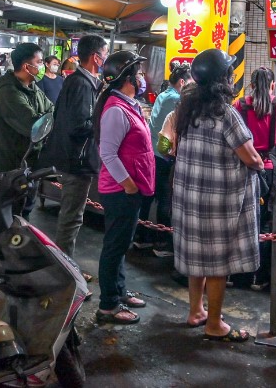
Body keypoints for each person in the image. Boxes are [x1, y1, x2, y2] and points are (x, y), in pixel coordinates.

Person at [172, 49, 263, 340]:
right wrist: (259, 163)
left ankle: (195, 310)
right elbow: (250, 158)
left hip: (189, 196)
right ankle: (213, 323)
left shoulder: (187, 110)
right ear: (224, 79)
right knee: (217, 265)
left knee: (196, 257)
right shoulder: (226, 114)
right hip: (217, 202)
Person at [93, 50, 154, 326]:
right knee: (114, 246)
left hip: (130, 189)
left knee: (121, 244)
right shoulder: (116, 110)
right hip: (121, 191)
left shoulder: (127, 104)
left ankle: (118, 292)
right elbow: (108, 154)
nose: (143, 77)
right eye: (139, 73)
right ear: (128, 77)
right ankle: (108, 306)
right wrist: (128, 185)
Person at [39, 34, 107, 260]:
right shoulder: (81, 84)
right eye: (105, 54)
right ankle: (64, 267)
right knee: (72, 216)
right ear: (96, 58)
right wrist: (105, 120)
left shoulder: (78, 81)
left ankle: (63, 263)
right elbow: (79, 125)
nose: (106, 59)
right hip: (76, 160)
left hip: (71, 157)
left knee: (71, 214)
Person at [233, 66, 276, 289]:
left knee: (243, 220)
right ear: (271, 84)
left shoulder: (240, 105)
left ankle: (241, 277)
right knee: (268, 222)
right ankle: (265, 277)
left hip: (244, 167)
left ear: (251, 84)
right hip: (268, 169)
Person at [0, 42, 54, 219]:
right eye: (40, 62)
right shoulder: (9, 93)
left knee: (24, 211)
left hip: (27, 166)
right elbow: (34, 127)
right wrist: (44, 117)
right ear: (27, 66)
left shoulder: (32, 89)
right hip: (11, 168)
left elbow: (52, 111)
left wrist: (46, 116)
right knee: (11, 216)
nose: (42, 66)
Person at [136, 63, 193, 257]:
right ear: (183, 82)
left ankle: (140, 237)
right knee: (165, 200)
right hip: (163, 155)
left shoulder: (163, 94)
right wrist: (171, 154)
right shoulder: (177, 99)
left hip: (152, 152)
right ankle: (161, 243)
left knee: (148, 197)